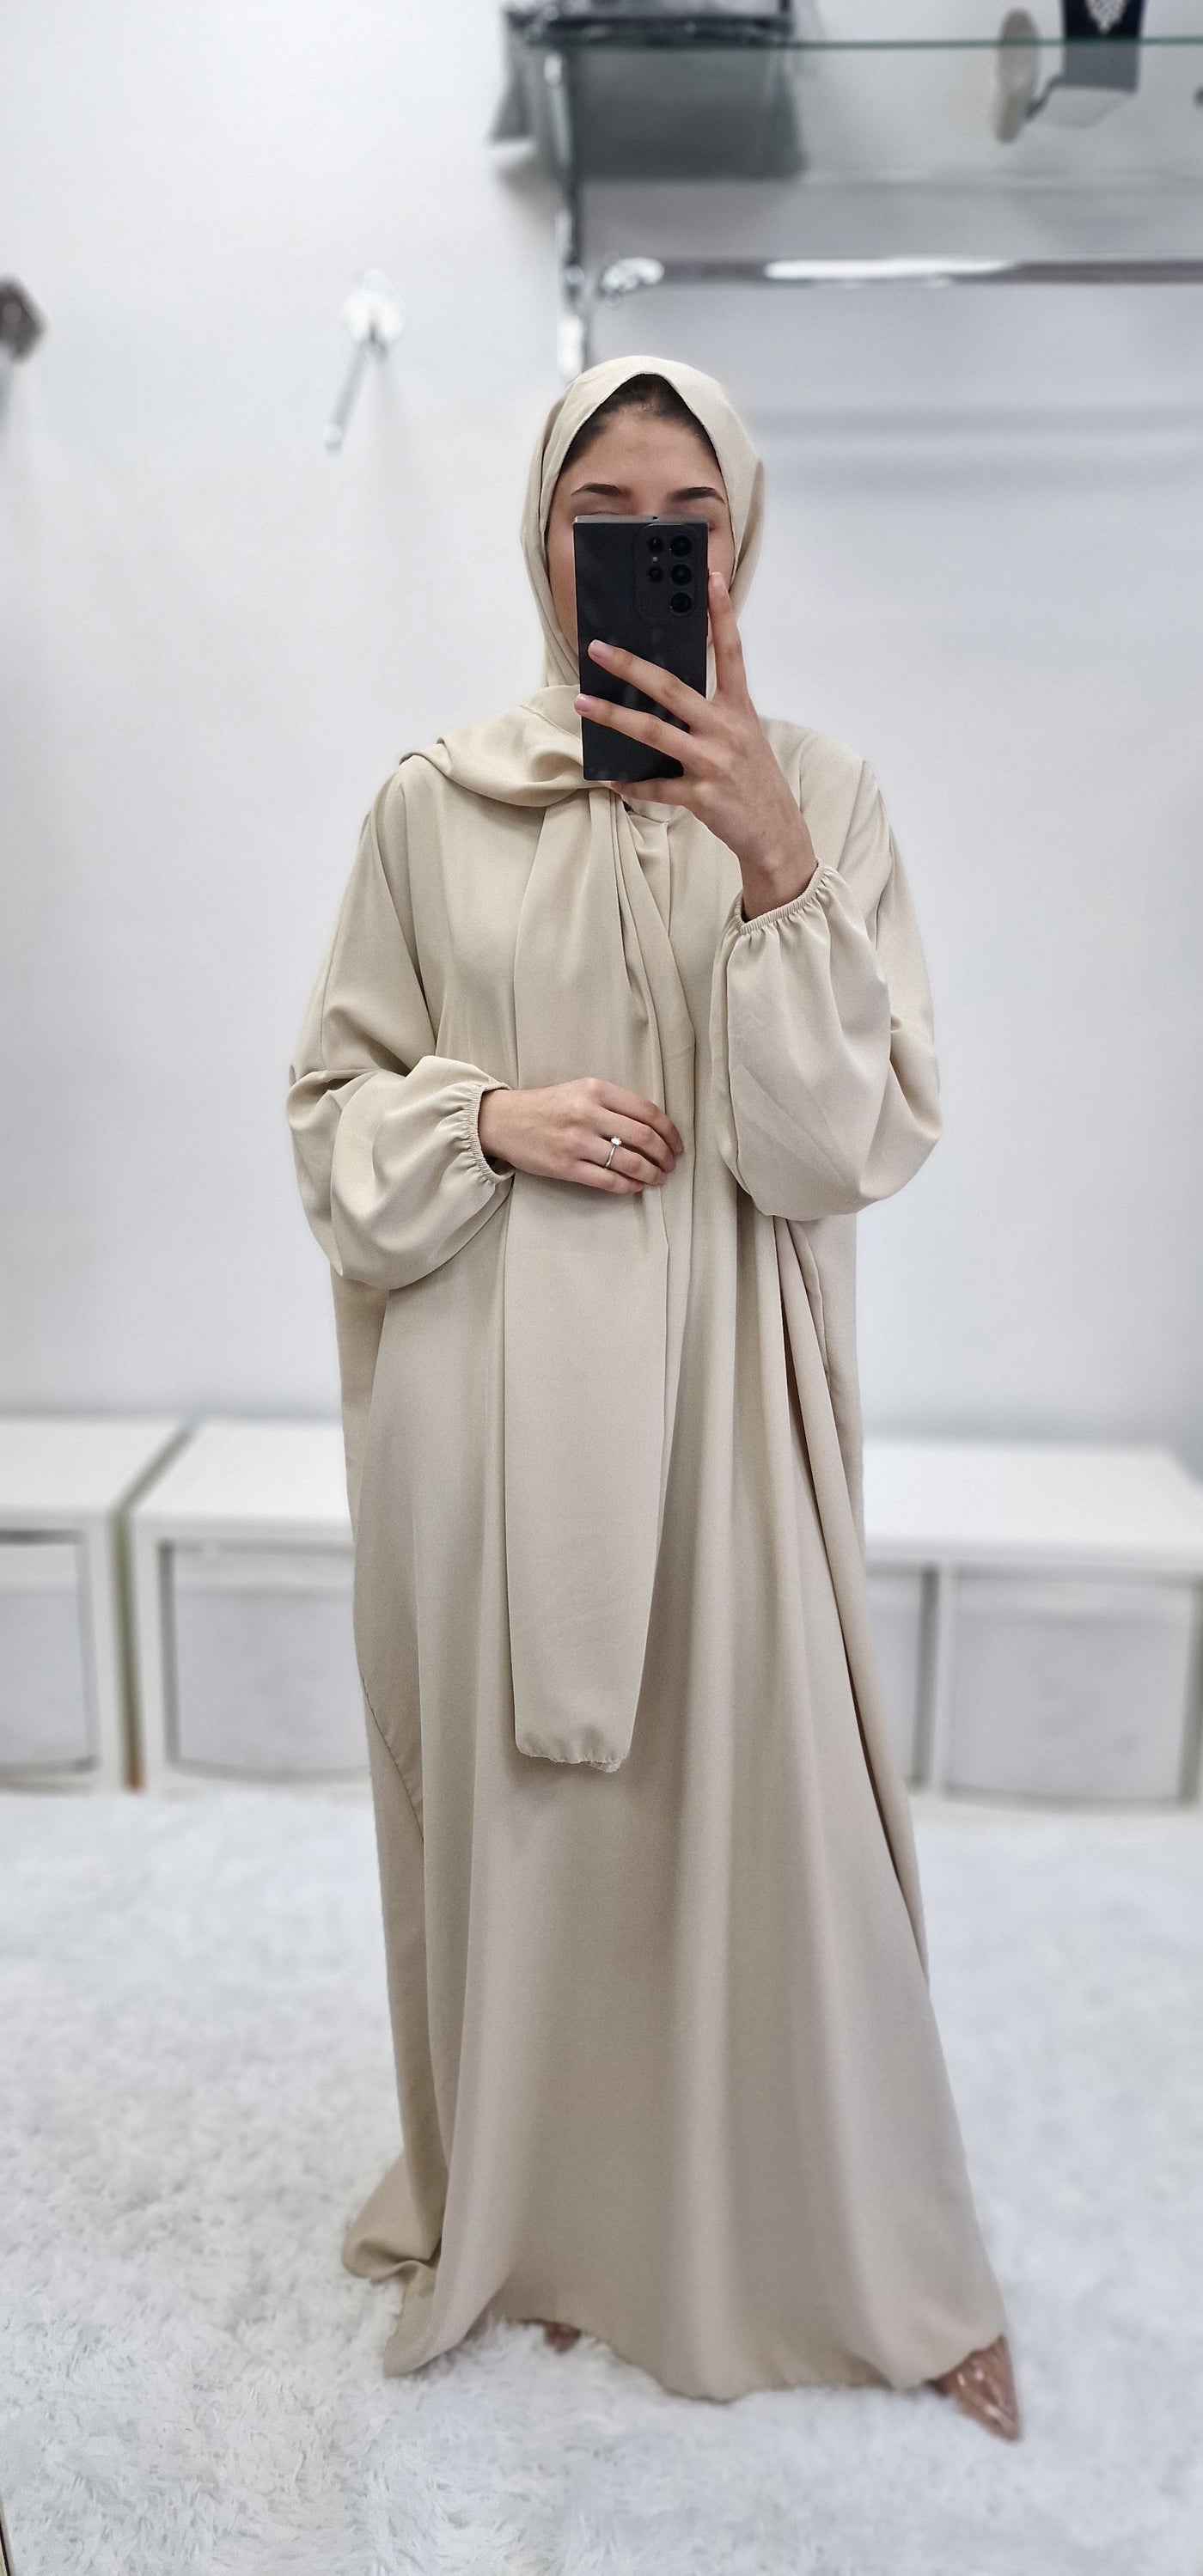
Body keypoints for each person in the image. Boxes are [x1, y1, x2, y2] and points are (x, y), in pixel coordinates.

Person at [285, 355, 1020, 2440]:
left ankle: (864, 2254)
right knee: (527, 1835)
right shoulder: (431, 801)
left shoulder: (824, 794)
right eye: (598, 514)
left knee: (780, 1829)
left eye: (685, 518)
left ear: (740, 539)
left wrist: (774, 867)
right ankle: (532, 2225)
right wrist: (488, 1113)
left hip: (726, 1417)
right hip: (497, 1408)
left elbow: (841, 1145)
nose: (643, 548)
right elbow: (329, 1110)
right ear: (541, 541)